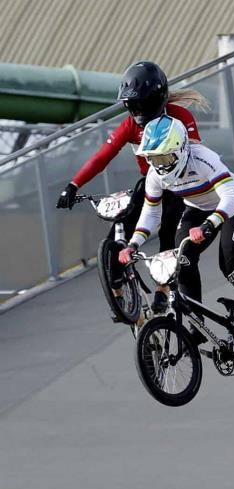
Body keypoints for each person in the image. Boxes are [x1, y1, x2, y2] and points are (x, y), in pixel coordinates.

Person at [116, 115, 234, 360]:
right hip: (197, 208)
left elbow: (231, 197)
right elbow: (151, 213)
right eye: (153, 159)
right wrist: (133, 244)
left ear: (181, 149)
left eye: (164, 157)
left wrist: (209, 224)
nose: (160, 165)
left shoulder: (203, 158)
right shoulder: (155, 174)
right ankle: (197, 326)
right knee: (181, 260)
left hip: (233, 205)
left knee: (232, 267)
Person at [55, 60, 208, 315]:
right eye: (132, 106)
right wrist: (73, 184)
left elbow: (197, 156)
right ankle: (119, 293)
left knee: (169, 227)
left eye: (142, 105)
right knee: (123, 224)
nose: (137, 112)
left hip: (178, 183)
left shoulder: (181, 117)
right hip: (150, 182)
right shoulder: (130, 125)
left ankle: (163, 289)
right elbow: (102, 157)